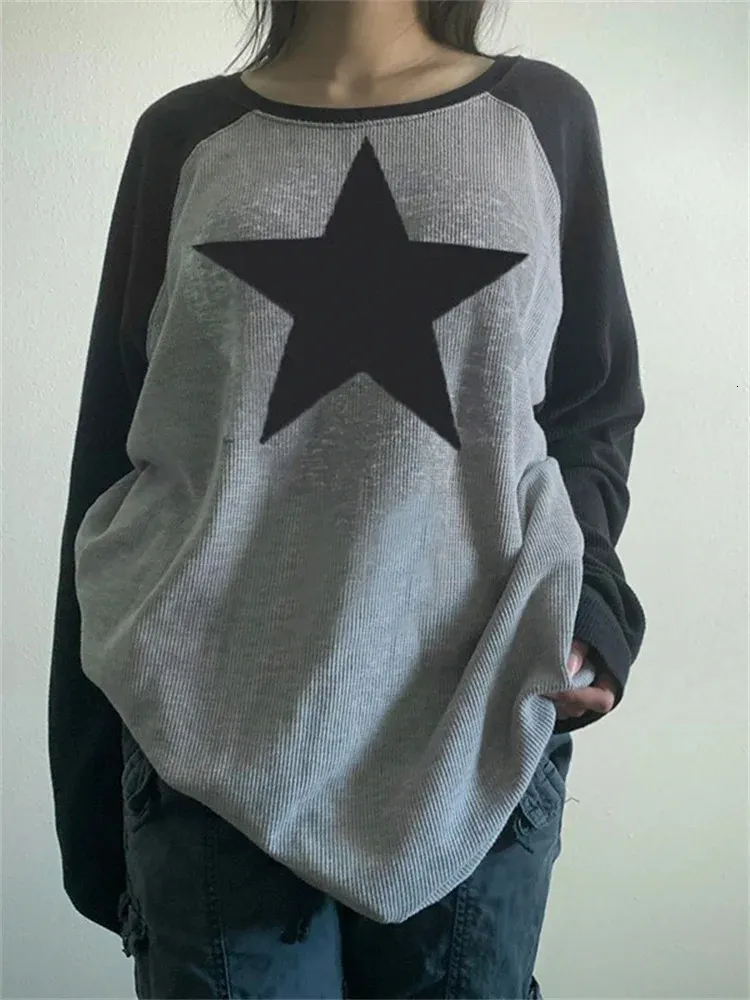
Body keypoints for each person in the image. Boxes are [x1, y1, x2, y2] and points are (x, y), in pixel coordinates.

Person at [47, 1, 646, 997]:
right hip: (207, 732)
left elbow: (589, 406)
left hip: (475, 720)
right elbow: (114, 448)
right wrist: (83, 791)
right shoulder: (184, 138)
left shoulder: (543, 118)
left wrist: (592, 613)